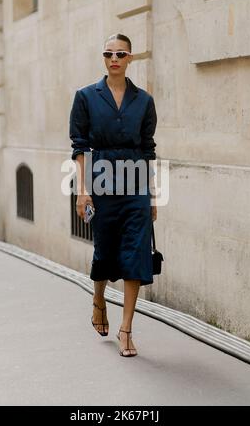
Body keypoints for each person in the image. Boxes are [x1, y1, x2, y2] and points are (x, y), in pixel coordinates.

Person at [69, 33, 157, 357]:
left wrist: (153, 197)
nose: (114, 59)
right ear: (103, 58)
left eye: (120, 53)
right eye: (108, 54)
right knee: (104, 252)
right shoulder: (85, 97)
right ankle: (98, 299)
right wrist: (82, 192)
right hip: (102, 184)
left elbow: (148, 150)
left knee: (136, 253)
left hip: (135, 186)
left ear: (131, 58)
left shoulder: (144, 101)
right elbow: (79, 147)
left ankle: (126, 329)